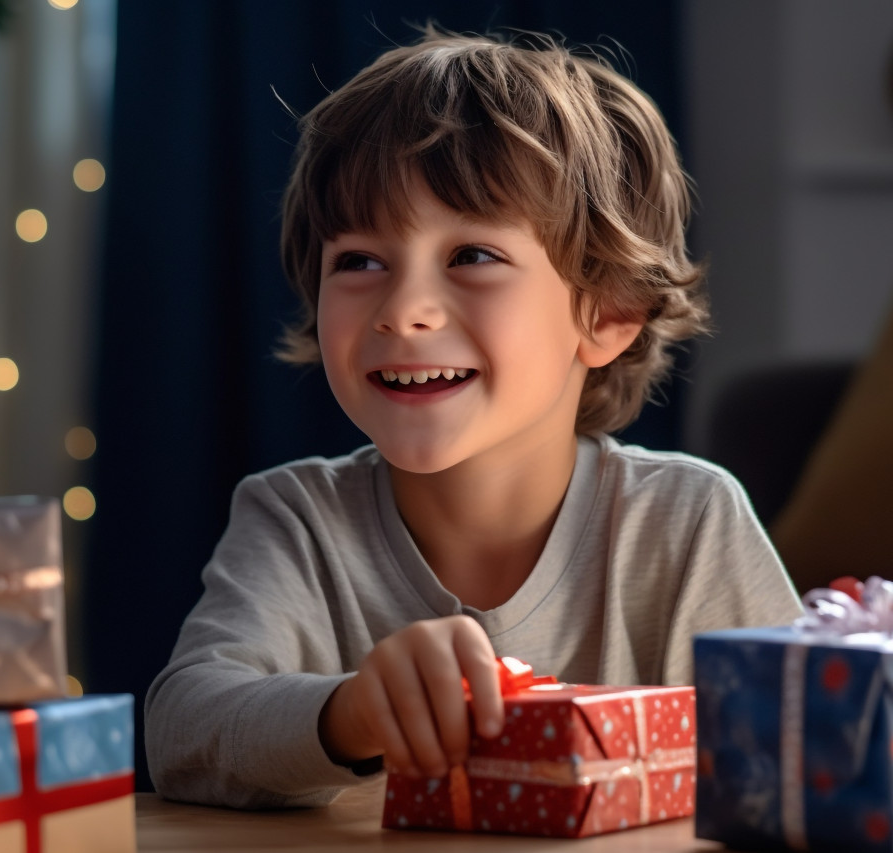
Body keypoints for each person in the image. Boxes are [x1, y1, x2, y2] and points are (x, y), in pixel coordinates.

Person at [144, 26, 801, 810]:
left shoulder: (688, 521)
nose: (404, 310)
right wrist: (348, 713)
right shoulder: (295, 518)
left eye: (472, 257)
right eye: (358, 261)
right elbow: (181, 732)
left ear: (610, 312)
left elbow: (791, 754)